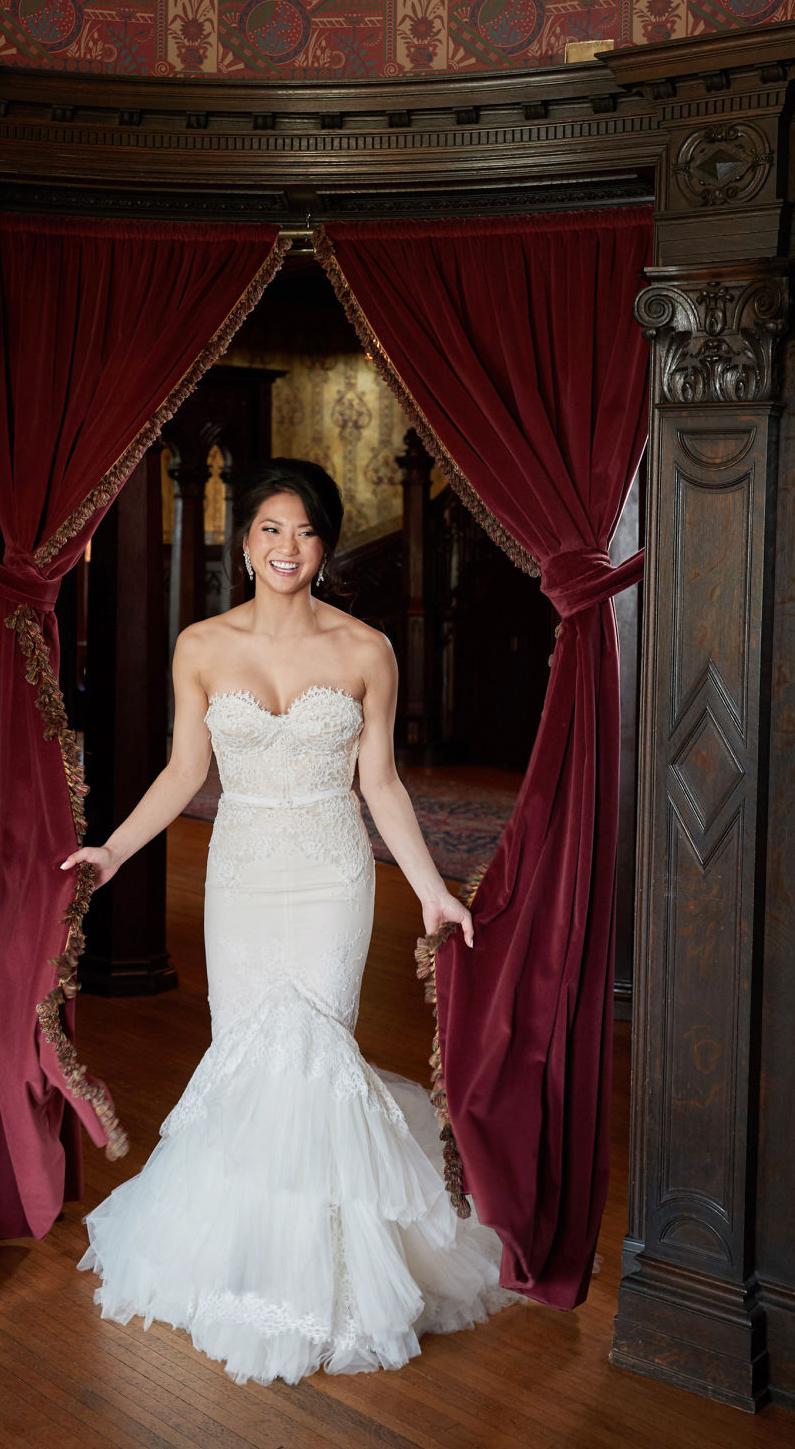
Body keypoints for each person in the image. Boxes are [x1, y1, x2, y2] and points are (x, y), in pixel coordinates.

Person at [63, 458, 517, 1386]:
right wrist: (110, 850)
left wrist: (429, 887)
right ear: (244, 542)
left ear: (324, 547)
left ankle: (332, 1283)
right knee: (245, 1059)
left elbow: (380, 783)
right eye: (270, 527)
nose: (286, 546)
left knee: (311, 1055)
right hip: (240, 877)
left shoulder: (365, 650)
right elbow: (184, 771)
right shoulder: (200, 645)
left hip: (328, 875)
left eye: (305, 530)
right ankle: (243, 1266)